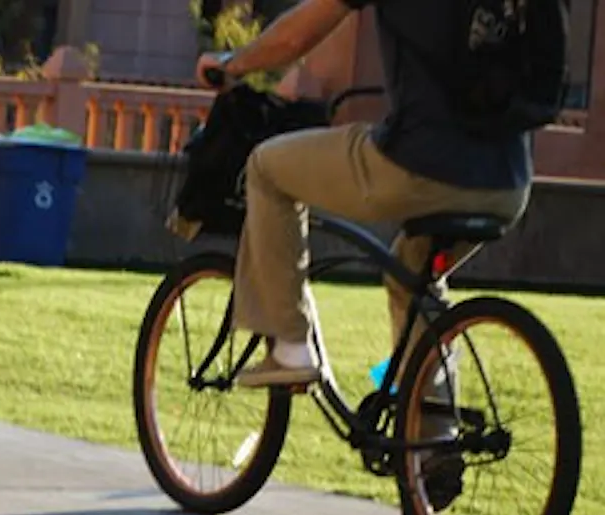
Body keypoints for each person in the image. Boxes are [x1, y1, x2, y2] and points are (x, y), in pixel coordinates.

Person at [196, 0, 532, 388]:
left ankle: (290, 347)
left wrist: (233, 63)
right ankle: (429, 418)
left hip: (420, 165)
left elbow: (296, 36)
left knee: (266, 167)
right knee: (412, 274)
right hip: (508, 181)